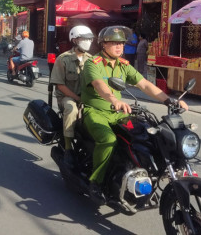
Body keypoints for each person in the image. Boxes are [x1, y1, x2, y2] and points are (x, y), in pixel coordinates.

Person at [81, 26, 189, 204]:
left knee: (144, 134)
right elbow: (100, 85)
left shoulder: (124, 66)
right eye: (114, 43)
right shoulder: (93, 63)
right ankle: (96, 182)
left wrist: (170, 101)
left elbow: (145, 85)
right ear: (103, 44)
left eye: (121, 43)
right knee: (108, 140)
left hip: (118, 112)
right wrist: (113, 100)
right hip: (96, 111)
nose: (119, 47)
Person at [50, 26, 94, 168]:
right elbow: (60, 85)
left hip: (86, 97)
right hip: (67, 97)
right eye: (84, 39)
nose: (88, 42)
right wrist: (77, 98)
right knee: (71, 108)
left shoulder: (92, 60)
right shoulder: (63, 59)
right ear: (75, 40)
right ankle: (68, 148)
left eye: (90, 39)